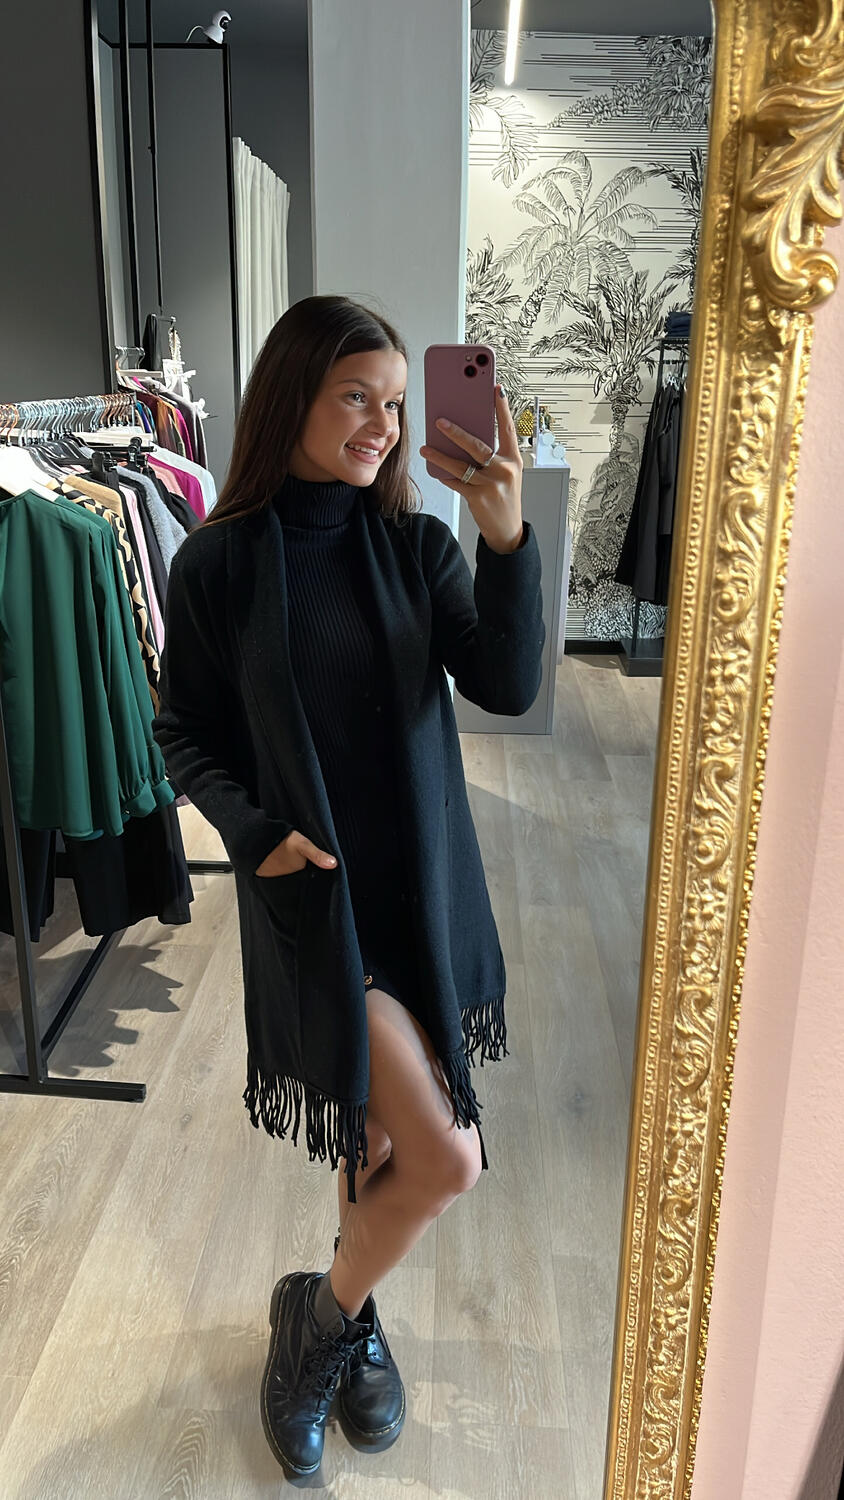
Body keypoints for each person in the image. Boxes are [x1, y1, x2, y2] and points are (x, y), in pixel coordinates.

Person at [152, 295, 545, 1479]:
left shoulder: (417, 547)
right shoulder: (220, 563)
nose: (381, 424)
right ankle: (320, 1324)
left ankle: (337, 1314)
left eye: (395, 402)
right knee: (445, 1158)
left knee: (376, 1137)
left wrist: (506, 540)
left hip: (421, 901)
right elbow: (183, 735)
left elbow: (507, 685)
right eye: (354, 398)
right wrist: (255, 835)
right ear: (293, 401)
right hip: (316, 909)